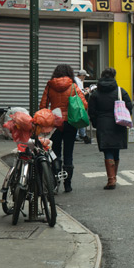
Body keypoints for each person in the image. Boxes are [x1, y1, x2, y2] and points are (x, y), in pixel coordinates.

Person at [41, 64, 88, 193]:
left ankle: (55, 183)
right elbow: (84, 104)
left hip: (55, 123)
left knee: (54, 153)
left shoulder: (50, 85)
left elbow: (43, 105)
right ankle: (68, 184)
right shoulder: (73, 86)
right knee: (68, 152)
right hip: (70, 123)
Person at [87, 67, 132, 190]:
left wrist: (96, 123)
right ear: (114, 76)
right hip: (118, 123)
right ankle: (114, 177)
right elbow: (129, 106)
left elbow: (92, 111)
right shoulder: (120, 91)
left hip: (103, 123)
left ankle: (111, 179)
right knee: (116, 149)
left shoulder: (96, 93)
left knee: (107, 150)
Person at [74, 69, 92, 144]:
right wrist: (88, 91)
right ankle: (80, 135)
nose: (84, 78)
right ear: (81, 75)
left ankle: (81, 134)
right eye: (84, 76)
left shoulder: (76, 80)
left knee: (79, 118)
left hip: (76, 103)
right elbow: (80, 94)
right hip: (79, 103)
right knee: (81, 118)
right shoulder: (77, 81)